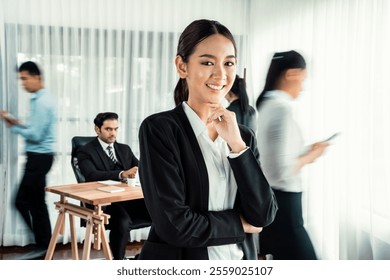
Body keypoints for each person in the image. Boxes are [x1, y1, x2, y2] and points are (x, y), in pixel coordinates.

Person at [138, 19, 278, 260]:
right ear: (182, 67)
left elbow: (264, 215)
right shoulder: (160, 129)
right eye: (207, 62)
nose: (221, 74)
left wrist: (237, 146)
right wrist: (241, 225)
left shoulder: (243, 136)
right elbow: (175, 225)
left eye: (229, 63)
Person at [256, 50, 329, 260]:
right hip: (285, 207)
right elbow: (283, 170)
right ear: (292, 74)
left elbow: (272, 160)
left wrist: (305, 153)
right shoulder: (282, 108)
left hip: (272, 201)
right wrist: (310, 156)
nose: (303, 87)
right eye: (303, 78)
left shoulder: (267, 105)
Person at [0, 61, 57, 259]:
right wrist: (15, 122)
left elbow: (35, 134)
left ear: (36, 77)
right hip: (40, 157)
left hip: (39, 158)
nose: (22, 83)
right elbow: (34, 129)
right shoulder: (38, 99)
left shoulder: (41, 102)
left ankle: (43, 245)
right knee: (37, 203)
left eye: (25, 78)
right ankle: (45, 246)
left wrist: (11, 124)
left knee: (21, 201)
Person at [77, 112, 151, 260]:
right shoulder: (86, 150)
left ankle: (148, 257)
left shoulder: (124, 149)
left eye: (116, 129)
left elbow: (140, 168)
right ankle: (117, 263)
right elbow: (91, 175)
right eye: (108, 129)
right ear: (98, 129)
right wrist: (122, 174)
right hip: (105, 203)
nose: (113, 133)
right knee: (122, 221)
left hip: (128, 199)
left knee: (160, 211)